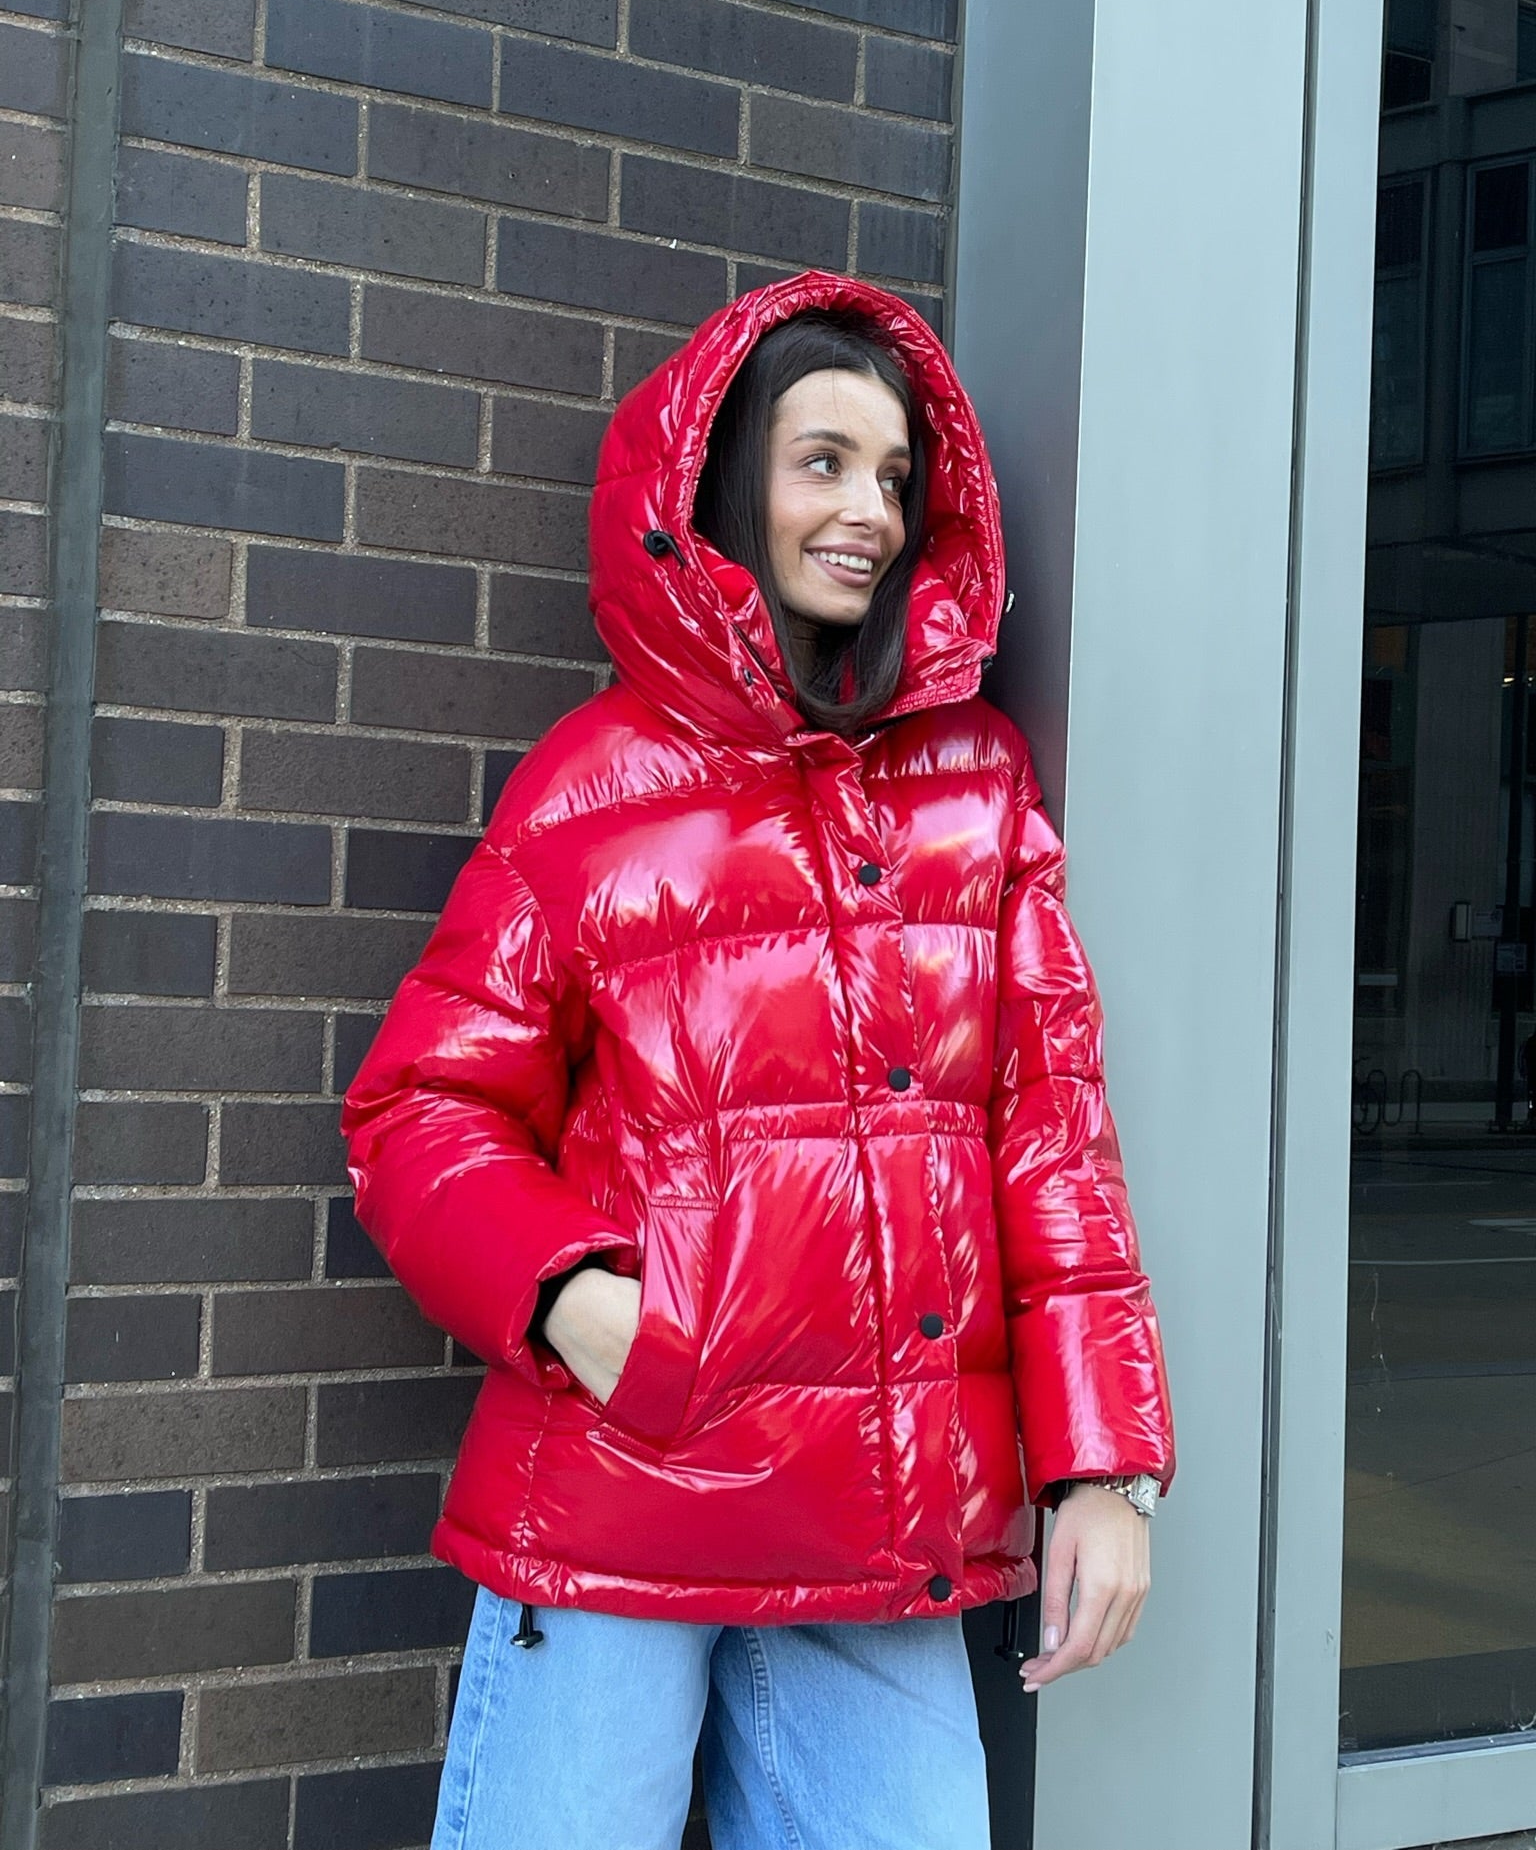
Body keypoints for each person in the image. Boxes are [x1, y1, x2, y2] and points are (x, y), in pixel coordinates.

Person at [341, 270, 1175, 1850]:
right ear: (730, 484)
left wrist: (1103, 1466)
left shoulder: (976, 782)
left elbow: (1050, 1131)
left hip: (879, 1526)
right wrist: (578, 1305)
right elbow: (420, 1104)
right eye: (823, 461)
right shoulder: (591, 787)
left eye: (896, 476)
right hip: (620, 1497)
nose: (868, 510)